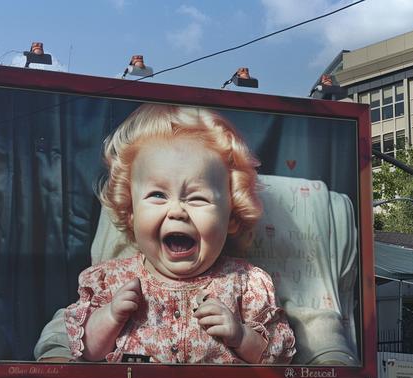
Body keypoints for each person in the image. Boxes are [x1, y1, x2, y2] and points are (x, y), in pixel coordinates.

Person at [62, 103, 295, 364]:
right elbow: (85, 354)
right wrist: (110, 317)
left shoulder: (245, 282)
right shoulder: (111, 280)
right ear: (131, 211)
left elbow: (277, 357)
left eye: (197, 198)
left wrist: (241, 336)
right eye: (157, 195)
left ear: (230, 215)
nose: (177, 211)